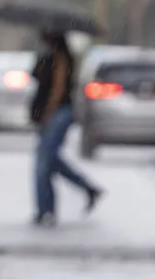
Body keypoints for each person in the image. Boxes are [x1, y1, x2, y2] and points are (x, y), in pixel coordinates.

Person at [30, 30, 103, 227]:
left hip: (58, 112)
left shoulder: (62, 57)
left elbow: (59, 88)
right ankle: (86, 188)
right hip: (50, 112)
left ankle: (46, 210)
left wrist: (48, 112)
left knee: (43, 162)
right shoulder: (47, 56)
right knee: (50, 159)